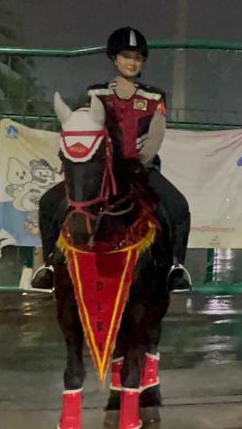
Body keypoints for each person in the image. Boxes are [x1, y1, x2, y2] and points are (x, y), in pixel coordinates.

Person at [31, 27, 192, 293]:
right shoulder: (96, 93)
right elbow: (87, 126)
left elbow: (156, 136)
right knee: (50, 203)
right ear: (114, 58)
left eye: (138, 58)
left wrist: (138, 163)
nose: (132, 62)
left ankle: (176, 267)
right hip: (100, 170)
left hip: (140, 169)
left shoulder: (154, 96)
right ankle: (49, 265)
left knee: (178, 207)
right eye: (126, 56)